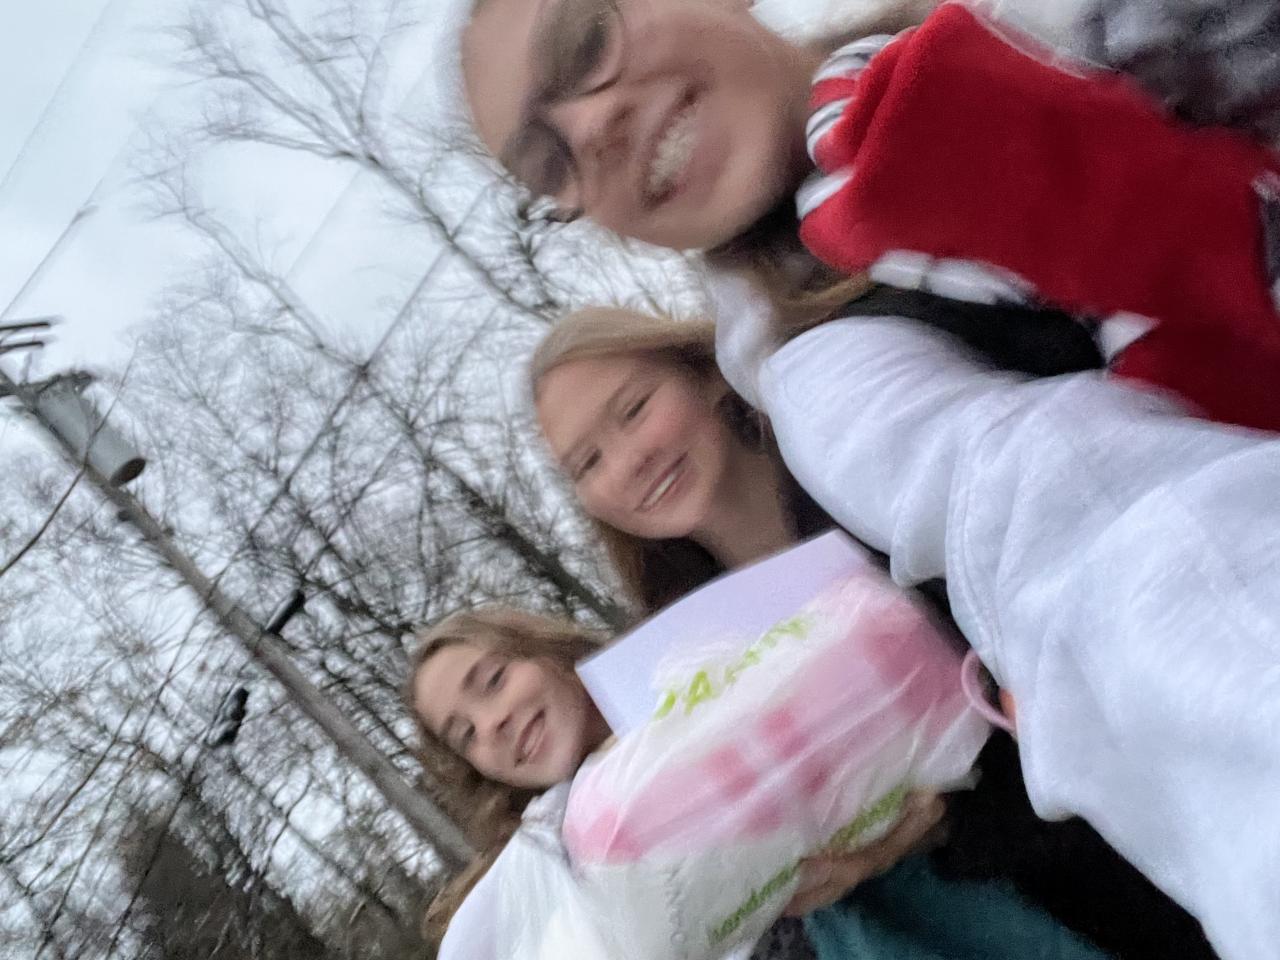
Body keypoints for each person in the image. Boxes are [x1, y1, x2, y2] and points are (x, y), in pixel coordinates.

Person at [523, 307, 1214, 960]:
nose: (627, 463)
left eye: (634, 410)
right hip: (1038, 917)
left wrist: (953, 814)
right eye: (587, 463)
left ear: (705, 375)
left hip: (1176, 800)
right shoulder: (675, 666)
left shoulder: (874, 465)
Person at [409, 605, 1112, 960]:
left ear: (543, 650)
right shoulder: (550, 875)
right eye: (464, 734)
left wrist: (886, 844)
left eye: (492, 681)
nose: (492, 724)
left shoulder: (701, 662)